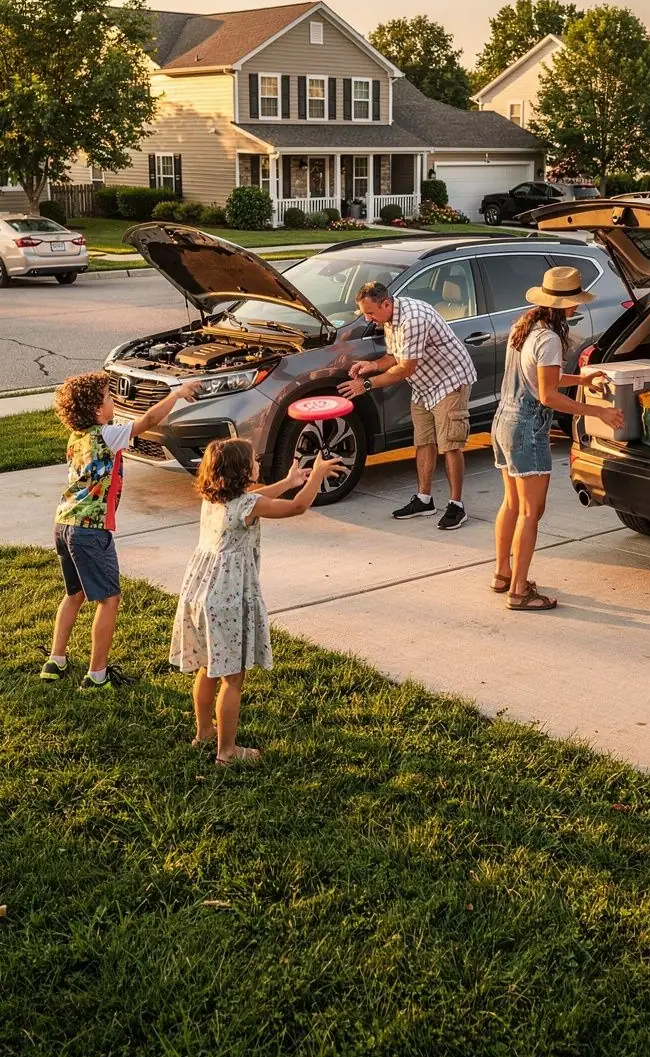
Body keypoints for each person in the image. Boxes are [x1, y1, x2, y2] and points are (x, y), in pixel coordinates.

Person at [169, 438, 343, 766]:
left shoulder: (213, 500)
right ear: (241, 471)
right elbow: (296, 507)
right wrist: (316, 476)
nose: (258, 463)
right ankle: (227, 752)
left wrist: (289, 482)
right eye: (253, 460)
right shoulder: (247, 507)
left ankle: (204, 731)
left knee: (208, 667)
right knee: (232, 678)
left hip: (200, 595)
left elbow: (254, 499)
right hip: (227, 600)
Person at [40, 370, 203, 690]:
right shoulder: (107, 434)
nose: (113, 402)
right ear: (96, 410)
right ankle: (97, 675)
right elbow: (148, 421)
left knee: (74, 594)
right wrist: (177, 394)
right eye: (108, 398)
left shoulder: (77, 438)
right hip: (90, 530)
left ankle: (55, 661)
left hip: (64, 523)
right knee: (109, 599)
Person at [492, 266, 624, 612]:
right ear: (563, 304)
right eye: (575, 301)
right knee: (531, 513)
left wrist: (582, 379)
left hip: (503, 420)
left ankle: (503, 574)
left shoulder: (525, 328)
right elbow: (548, 395)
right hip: (527, 428)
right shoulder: (550, 339)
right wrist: (598, 412)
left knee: (512, 504)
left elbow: (538, 377)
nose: (577, 308)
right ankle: (519, 592)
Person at [339, 280, 477, 531]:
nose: (369, 319)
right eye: (364, 313)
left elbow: (405, 368)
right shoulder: (390, 319)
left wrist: (366, 385)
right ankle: (424, 500)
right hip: (424, 386)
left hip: (450, 381)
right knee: (424, 441)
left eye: (370, 312)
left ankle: (456, 505)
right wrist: (372, 365)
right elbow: (395, 356)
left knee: (450, 444)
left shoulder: (412, 319)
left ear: (386, 303)